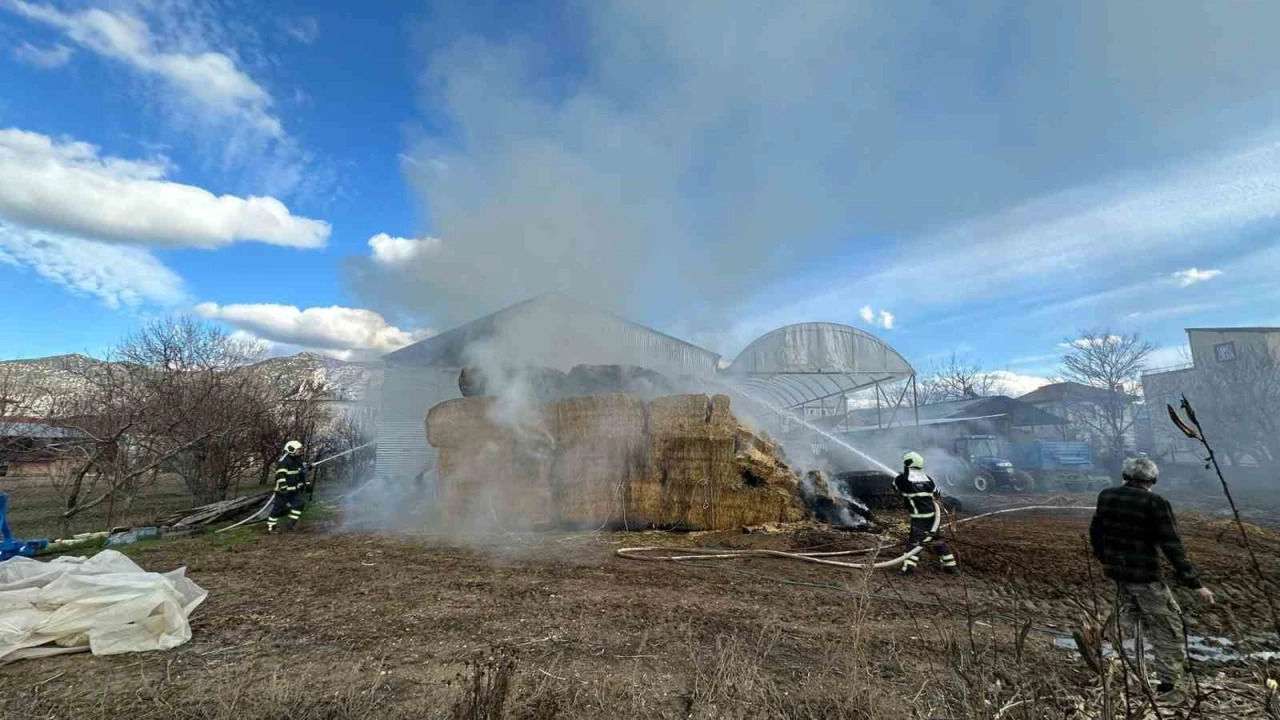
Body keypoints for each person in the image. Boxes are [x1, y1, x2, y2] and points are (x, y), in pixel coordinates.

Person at [1090, 457, 1214, 700]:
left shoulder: (1107, 496)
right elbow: (1172, 545)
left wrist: (1105, 559)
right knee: (1168, 628)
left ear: (1126, 476)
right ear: (1153, 479)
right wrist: (1195, 583)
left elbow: (1096, 532)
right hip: (1145, 577)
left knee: (1132, 622)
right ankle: (1170, 686)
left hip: (1118, 574)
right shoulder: (1155, 503)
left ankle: (1122, 670)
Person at [894, 452, 959, 575]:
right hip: (933, 517)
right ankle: (951, 567)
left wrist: (900, 477)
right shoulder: (928, 479)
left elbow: (895, 487)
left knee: (914, 543)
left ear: (907, 464)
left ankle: (907, 568)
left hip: (919, 518)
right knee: (937, 541)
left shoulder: (902, 479)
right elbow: (935, 495)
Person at [267, 440, 310, 533]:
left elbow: (301, 470)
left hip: (294, 490)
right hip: (284, 491)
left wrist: (308, 467)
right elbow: (280, 475)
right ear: (291, 449)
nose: (300, 451)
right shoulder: (283, 461)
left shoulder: (297, 459)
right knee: (278, 509)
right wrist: (283, 487)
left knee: (299, 504)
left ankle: (290, 525)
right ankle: (271, 528)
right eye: (298, 450)